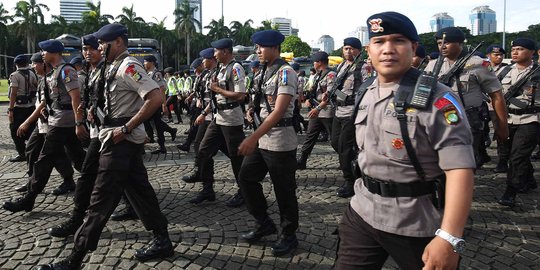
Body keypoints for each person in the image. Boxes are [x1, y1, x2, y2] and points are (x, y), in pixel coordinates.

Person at [335, 11, 476, 269]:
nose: (388, 49)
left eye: (398, 41)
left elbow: (459, 169)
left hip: (416, 220)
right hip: (363, 209)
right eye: (379, 42)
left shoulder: (438, 98)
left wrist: (448, 237)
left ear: (413, 47)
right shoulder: (365, 89)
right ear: (369, 49)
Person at [36, 23, 174, 270]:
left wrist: (127, 128)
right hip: (115, 138)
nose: (98, 48)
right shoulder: (112, 67)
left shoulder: (129, 66)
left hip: (120, 140)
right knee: (140, 191)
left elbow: (155, 98)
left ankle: (74, 259)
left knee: (100, 200)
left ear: (118, 42)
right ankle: (162, 239)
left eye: (102, 43)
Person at [3, 39, 88, 213]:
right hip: (58, 121)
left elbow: (75, 98)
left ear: (54, 53)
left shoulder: (66, 71)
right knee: (80, 160)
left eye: (44, 51)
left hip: (63, 122)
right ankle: (112, 184)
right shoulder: (53, 73)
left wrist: (79, 122)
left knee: (44, 160)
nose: (42, 54)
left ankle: (29, 198)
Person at [238, 29, 299, 257]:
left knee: (284, 191)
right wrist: (251, 109)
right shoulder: (263, 72)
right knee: (246, 178)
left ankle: (289, 235)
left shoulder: (285, 72)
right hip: (263, 138)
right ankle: (263, 222)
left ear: (274, 47)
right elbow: (259, 99)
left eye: (261, 47)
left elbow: (279, 111)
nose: (258, 51)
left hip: (280, 141)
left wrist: (252, 138)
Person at [46, 33, 108, 237]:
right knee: (132, 180)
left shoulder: (113, 69)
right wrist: (85, 113)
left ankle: (76, 220)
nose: (88, 53)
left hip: (110, 132)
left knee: (88, 176)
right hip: (98, 130)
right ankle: (158, 230)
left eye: (92, 48)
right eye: (85, 49)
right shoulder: (92, 71)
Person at [424, 27, 508, 169]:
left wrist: (502, 126)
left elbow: (496, 95)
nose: (442, 46)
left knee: (464, 161)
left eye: (447, 42)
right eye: (439, 43)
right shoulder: (433, 65)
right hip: (440, 119)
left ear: (460, 43)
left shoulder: (479, 63)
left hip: (469, 119)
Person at [188, 38, 247, 207]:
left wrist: (219, 89)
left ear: (225, 52)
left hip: (231, 118)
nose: (214, 54)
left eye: (216, 51)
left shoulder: (235, 68)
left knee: (236, 158)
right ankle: (206, 187)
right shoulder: (220, 69)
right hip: (217, 116)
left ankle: (244, 191)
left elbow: (241, 95)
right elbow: (214, 96)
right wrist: (206, 112)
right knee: (203, 149)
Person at [13, 53, 74, 194]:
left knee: (58, 155)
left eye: (35, 63)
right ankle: (32, 181)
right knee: (31, 150)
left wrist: (27, 122)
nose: (33, 66)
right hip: (43, 123)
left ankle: (69, 181)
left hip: (51, 123)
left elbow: (45, 103)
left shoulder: (52, 77)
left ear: (43, 64)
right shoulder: (42, 78)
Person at [497, 38, 540, 207]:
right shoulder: (505, 70)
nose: (514, 52)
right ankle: (529, 179)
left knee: (517, 157)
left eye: (520, 49)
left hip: (531, 119)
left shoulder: (537, 71)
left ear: (532, 52)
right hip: (508, 118)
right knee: (510, 154)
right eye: (513, 49)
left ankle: (511, 191)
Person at [329, 37, 369, 198]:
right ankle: (355, 162)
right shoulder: (341, 66)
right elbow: (335, 87)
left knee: (345, 148)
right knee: (335, 142)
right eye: (346, 48)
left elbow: (367, 88)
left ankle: (350, 181)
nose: (348, 51)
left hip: (352, 113)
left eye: (352, 48)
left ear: (359, 50)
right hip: (338, 111)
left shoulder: (364, 67)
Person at [182, 49, 218, 186]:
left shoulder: (216, 73)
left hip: (217, 116)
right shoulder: (207, 74)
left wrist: (203, 113)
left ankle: (242, 185)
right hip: (208, 114)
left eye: (204, 59)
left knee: (233, 152)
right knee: (200, 146)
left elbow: (214, 98)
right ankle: (206, 184)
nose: (202, 62)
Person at [296, 51, 336, 170]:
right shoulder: (319, 74)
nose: (313, 64)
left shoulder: (330, 75)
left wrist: (318, 108)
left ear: (319, 62)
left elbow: (330, 95)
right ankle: (302, 160)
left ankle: (347, 161)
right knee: (310, 136)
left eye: (314, 61)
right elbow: (314, 90)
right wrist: (309, 99)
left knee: (334, 139)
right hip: (316, 110)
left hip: (327, 110)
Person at [142, 55, 177, 155]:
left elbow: (162, 89)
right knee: (151, 122)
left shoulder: (156, 74)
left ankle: (161, 146)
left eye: (145, 62)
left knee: (156, 125)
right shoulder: (148, 73)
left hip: (155, 103)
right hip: (149, 102)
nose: (144, 63)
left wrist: (164, 104)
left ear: (151, 62)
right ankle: (169, 132)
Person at [8, 54, 38, 162]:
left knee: (14, 130)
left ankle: (22, 153)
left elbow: (13, 93)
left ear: (16, 64)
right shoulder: (32, 74)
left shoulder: (14, 75)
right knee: (30, 129)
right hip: (31, 106)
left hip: (19, 107)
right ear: (26, 63)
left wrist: (11, 109)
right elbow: (37, 85)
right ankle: (32, 151)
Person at [485, 45, 511, 173]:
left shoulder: (508, 70)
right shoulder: (482, 68)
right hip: (481, 105)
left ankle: (502, 161)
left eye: (501, 55)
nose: (499, 57)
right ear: (488, 55)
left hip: (496, 106)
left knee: (501, 133)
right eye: (496, 54)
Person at [178, 58, 205, 152]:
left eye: (196, 68)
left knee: (196, 126)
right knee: (194, 125)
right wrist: (190, 97)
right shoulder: (198, 76)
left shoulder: (205, 75)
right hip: (197, 104)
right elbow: (195, 90)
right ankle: (188, 143)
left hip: (203, 106)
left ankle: (189, 144)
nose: (194, 70)